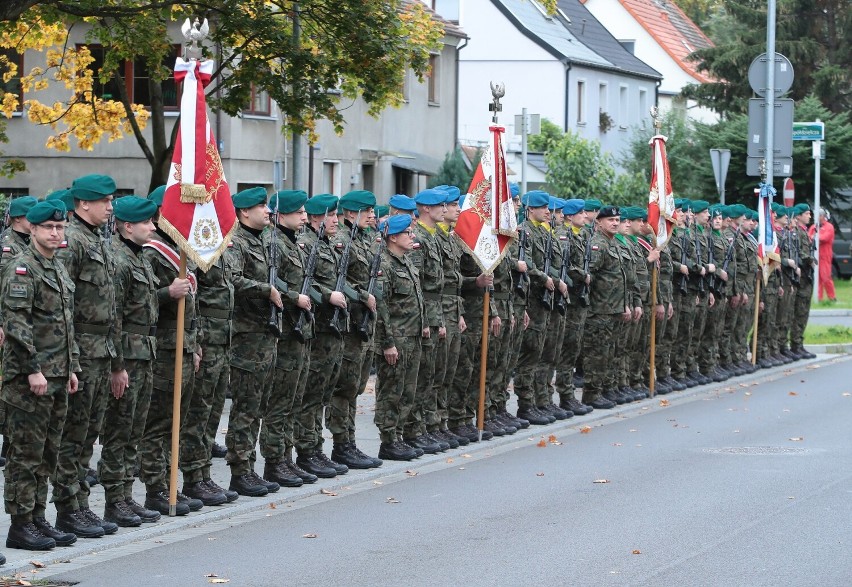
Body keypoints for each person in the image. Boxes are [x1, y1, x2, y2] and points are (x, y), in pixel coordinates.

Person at [2, 199, 80, 552]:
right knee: (25, 454)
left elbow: (66, 325)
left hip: (58, 375)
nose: (54, 232)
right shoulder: (22, 269)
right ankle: (19, 525)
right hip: (28, 379)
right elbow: (17, 327)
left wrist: (73, 367)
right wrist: (33, 370)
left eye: (59, 227)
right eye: (48, 227)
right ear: (31, 229)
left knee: (49, 452)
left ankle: (36, 517)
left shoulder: (57, 268)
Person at [52, 174, 119, 538]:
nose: (111, 207)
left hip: (101, 352)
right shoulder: (72, 241)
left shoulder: (97, 239)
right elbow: (64, 306)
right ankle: (67, 508)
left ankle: (81, 504)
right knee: (73, 437)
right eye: (105, 201)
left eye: (111, 201)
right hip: (82, 353)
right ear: (83, 204)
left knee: (88, 435)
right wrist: (71, 359)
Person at [98, 196, 162, 527]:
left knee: (134, 429)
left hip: (144, 354)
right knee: (119, 431)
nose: (153, 227)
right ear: (127, 227)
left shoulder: (139, 258)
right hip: (127, 356)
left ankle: (125, 495)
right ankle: (113, 500)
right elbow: (114, 318)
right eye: (147, 223)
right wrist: (117, 366)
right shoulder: (119, 262)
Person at [224, 187, 283, 497]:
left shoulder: (263, 241)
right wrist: (265, 290)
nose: (267, 211)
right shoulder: (236, 241)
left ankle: (251, 467)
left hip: (265, 337)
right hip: (246, 339)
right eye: (261, 206)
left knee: (258, 405)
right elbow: (232, 279)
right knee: (246, 407)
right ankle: (240, 471)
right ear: (244, 212)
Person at [374, 214, 426, 461]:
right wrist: (388, 343)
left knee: (407, 390)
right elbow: (382, 308)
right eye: (407, 232)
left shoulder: (405, 261)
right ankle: (388, 440)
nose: (412, 235)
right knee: (391, 391)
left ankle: (399, 436)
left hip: (412, 337)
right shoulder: (384, 264)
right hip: (396, 339)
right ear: (393, 237)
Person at [809, 209, 836, 302]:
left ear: (822, 216)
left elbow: (825, 238)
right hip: (816, 256)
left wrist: (815, 238)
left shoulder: (829, 227)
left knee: (825, 276)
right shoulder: (813, 227)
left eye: (817, 215)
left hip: (825, 255)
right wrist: (815, 238)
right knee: (817, 278)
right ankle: (819, 298)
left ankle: (832, 297)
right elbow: (809, 237)